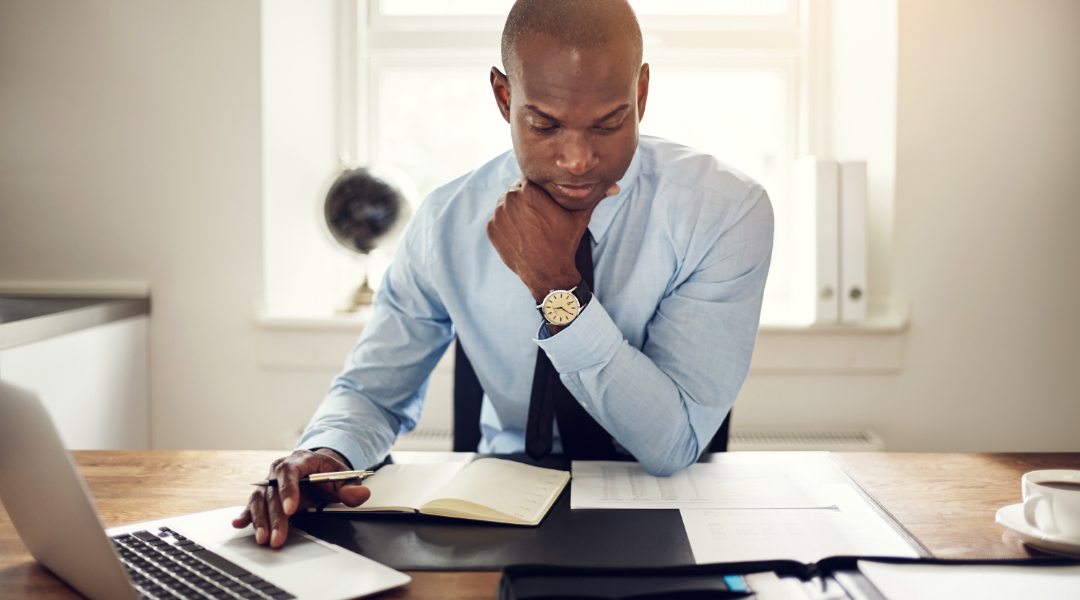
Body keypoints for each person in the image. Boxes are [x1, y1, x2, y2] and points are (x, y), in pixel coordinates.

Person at [235, 0, 773, 548]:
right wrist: (329, 453)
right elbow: (374, 391)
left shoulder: (725, 213)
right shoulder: (447, 221)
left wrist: (556, 289)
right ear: (503, 97)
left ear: (640, 94)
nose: (577, 159)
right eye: (545, 124)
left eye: (609, 123)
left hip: (667, 514)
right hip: (492, 514)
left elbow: (672, 444)